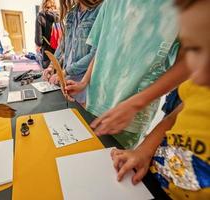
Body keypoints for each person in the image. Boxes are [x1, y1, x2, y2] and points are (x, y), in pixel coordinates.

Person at [111, 0, 210, 199]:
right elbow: (173, 117)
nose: (196, 77)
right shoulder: (198, 86)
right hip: (154, 180)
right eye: (195, 49)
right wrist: (143, 151)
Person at [65, 0, 190, 148]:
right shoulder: (110, 3)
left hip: (130, 117)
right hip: (94, 103)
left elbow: (189, 63)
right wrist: (84, 82)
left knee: (110, 167)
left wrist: (136, 104)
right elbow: (102, 47)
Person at [42, 0, 103, 106]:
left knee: (83, 117)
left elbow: (96, 53)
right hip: (69, 79)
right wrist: (51, 66)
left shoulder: (100, 9)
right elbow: (63, 45)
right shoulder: (72, 12)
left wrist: (65, 72)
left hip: (86, 81)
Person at [35, 0, 59, 69]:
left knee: (48, 75)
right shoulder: (60, 16)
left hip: (47, 53)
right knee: (57, 77)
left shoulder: (40, 16)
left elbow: (38, 41)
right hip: (60, 53)